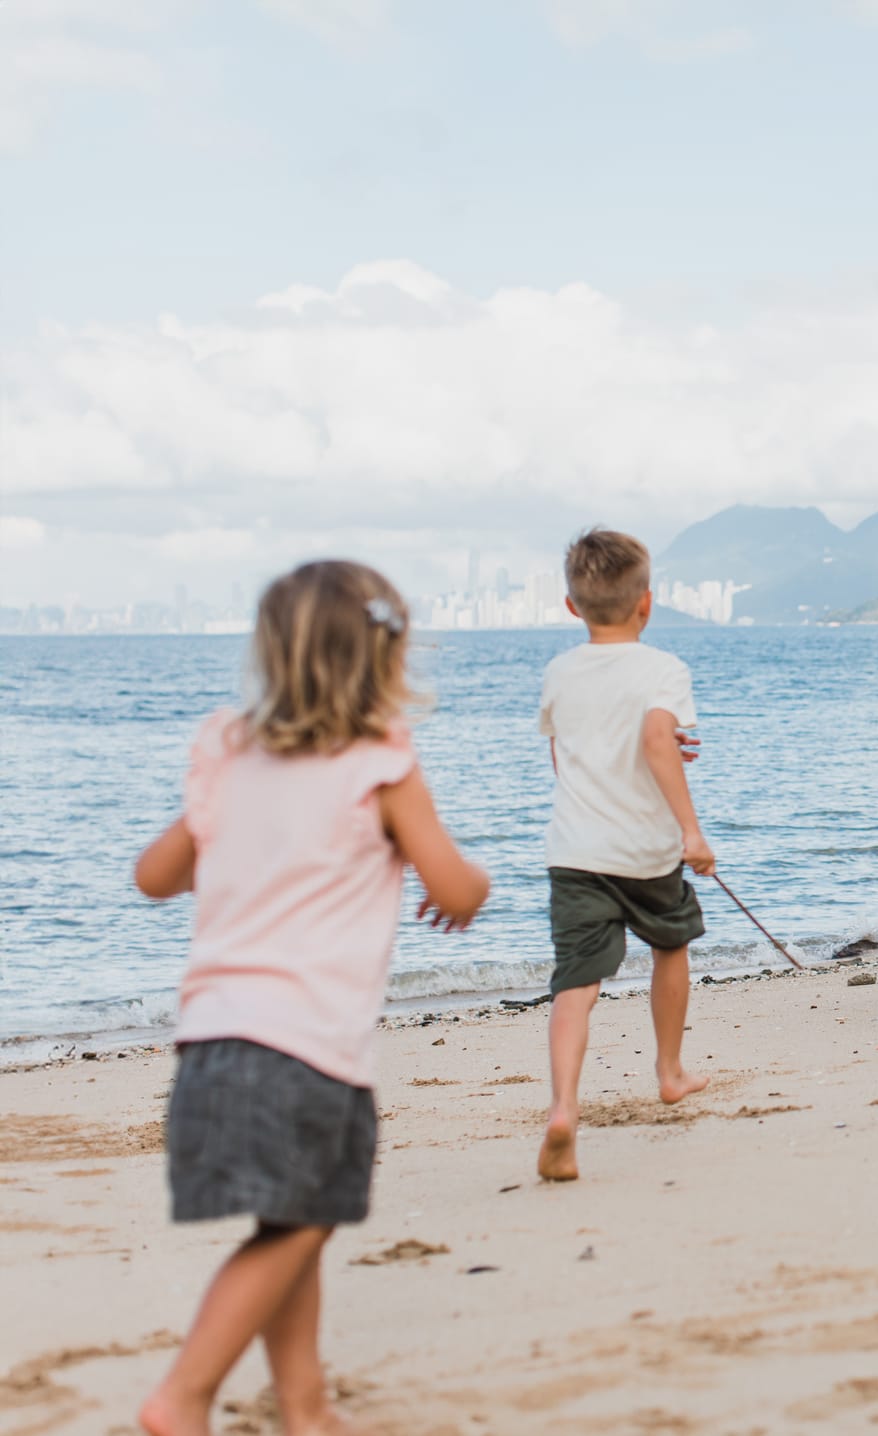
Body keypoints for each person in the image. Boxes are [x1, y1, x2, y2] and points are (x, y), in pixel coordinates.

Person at [133, 561, 491, 1436]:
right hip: (307, 1046)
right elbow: (456, 887)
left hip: (213, 1041)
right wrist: (461, 886)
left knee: (293, 1219)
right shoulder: (380, 760)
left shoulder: (225, 749)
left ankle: (305, 1405)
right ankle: (182, 1397)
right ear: (386, 656)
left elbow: (156, 876)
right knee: (301, 1226)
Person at [536, 527, 714, 1182]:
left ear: (571, 606)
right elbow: (656, 742)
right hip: (646, 850)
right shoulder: (661, 668)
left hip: (576, 850)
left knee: (575, 983)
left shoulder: (559, 671)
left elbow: (566, 755)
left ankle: (562, 1109)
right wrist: (692, 833)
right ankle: (669, 1072)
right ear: (647, 603)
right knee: (670, 947)